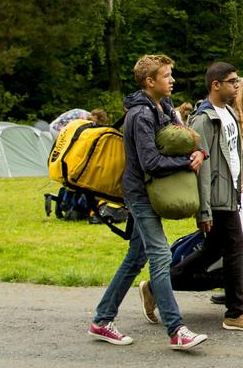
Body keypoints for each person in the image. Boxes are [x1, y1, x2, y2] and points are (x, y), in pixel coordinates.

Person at [87, 54, 209, 351]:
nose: (172, 80)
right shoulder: (140, 115)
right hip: (140, 194)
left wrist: (199, 153)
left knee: (135, 258)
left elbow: (181, 138)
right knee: (160, 256)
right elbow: (150, 162)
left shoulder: (163, 106)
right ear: (149, 81)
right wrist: (185, 163)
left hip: (151, 191)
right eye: (167, 76)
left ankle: (102, 320)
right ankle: (176, 329)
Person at [171, 62, 243, 333]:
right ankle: (236, 312)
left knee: (211, 250)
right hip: (216, 196)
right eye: (232, 81)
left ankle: (158, 286)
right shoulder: (203, 119)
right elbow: (199, 168)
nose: (237, 86)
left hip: (232, 193)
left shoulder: (229, 114)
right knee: (235, 248)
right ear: (216, 85)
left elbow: (233, 160)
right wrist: (204, 210)